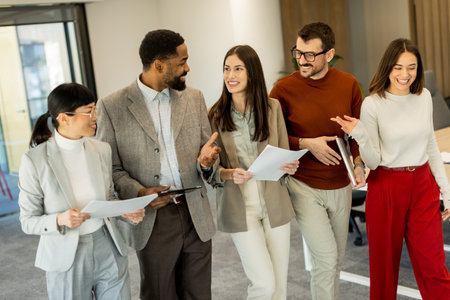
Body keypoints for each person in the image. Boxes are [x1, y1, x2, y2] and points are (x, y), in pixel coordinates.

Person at [96, 29, 220, 300]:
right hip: (153, 217)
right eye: (181, 62)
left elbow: (206, 150)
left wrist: (208, 162)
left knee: (200, 294)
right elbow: (110, 169)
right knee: (159, 293)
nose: (187, 68)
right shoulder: (111, 106)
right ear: (158, 65)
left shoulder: (194, 97)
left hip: (195, 212)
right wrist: (139, 193)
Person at [331, 38, 450, 300]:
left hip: (422, 184)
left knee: (433, 266)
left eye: (411, 67)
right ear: (387, 68)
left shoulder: (424, 97)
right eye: (398, 67)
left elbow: (430, 144)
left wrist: (446, 190)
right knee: (384, 271)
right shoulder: (373, 104)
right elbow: (373, 162)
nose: (405, 74)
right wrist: (360, 135)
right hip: (386, 185)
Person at [18, 83, 145, 300]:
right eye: (88, 112)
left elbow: (108, 198)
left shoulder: (101, 150)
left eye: (95, 109)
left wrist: (127, 213)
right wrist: (59, 219)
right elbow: (28, 221)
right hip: (67, 256)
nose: (95, 116)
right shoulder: (34, 161)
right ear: (63, 118)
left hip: (108, 245)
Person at [269, 22, 365, 300]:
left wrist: (358, 162)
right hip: (303, 185)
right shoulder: (282, 89)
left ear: (329, 53)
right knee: (325, 258)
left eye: (310, 54)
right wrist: (305, 143)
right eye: (298, 53)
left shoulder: (348, 85)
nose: (302, 60)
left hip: (340, 184)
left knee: (335, 260)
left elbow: (357, 133)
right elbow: (269, 137)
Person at [208, 45, 299, 299]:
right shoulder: (214, 115)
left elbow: (282, 154)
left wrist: (289, 166)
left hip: (274, 204)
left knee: (279, 288)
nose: (230, 75)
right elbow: (209, 171)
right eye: (226, 69)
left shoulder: (272, 108)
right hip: (240, 207)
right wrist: (227, 173)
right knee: (264, 285)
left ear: (252, 73)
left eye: (238, 68)